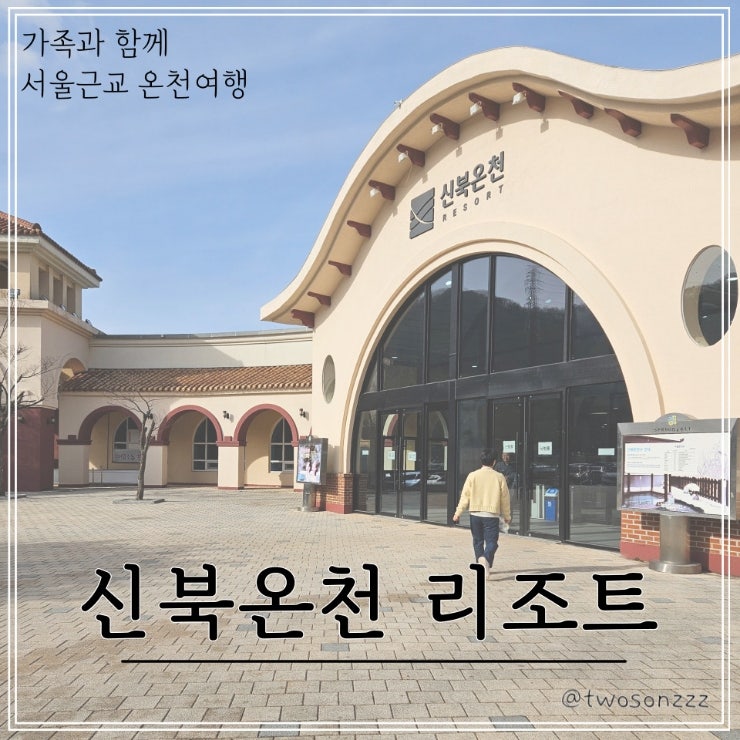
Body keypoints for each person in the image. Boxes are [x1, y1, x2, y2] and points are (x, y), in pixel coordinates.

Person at [452, 449, 511, 577]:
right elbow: (505, 499)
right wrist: (507, 516)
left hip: (475, 514)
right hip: (491, 515)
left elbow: (465, 496)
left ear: (481, 461)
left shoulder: (472, 475)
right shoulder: (499, 477)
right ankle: (485, 559)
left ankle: (482, 565)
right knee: (492, 542)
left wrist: (458, 513)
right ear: (494, 462)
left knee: (478, 541)